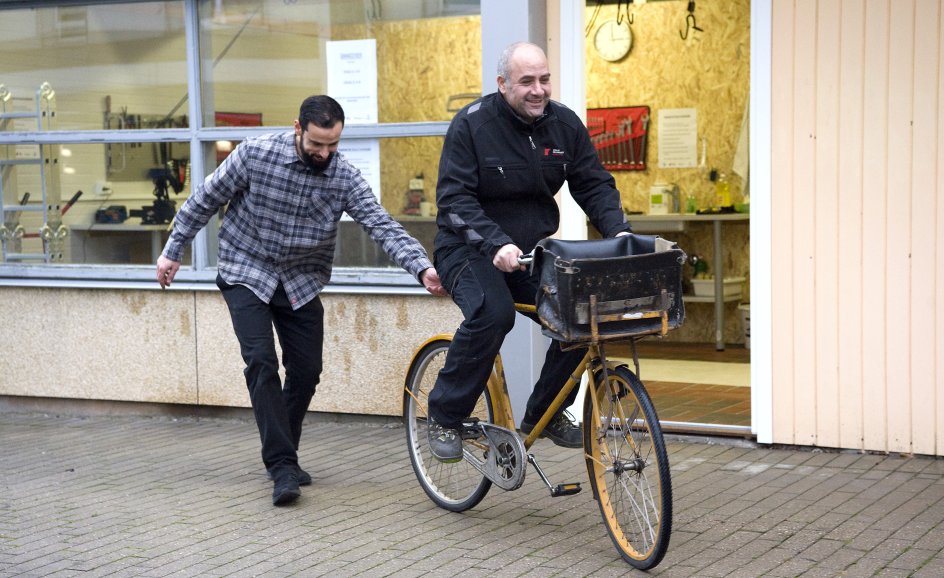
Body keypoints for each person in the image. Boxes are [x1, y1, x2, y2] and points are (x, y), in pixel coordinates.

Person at [156, 95, 446, 505]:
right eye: (316, 145)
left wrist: (421, 268)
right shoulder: (256, 155)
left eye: (333, 145)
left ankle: (283, 454)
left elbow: (380, 224)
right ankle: (281, 466)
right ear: (298, 128)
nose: (325, 154)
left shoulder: (343, 177)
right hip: (247, 269)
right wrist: (173, 250)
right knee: (260, 361)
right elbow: (204, 199)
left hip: (300, 280)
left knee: (307, 370)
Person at [425, 42, 631, 462]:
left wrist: (621, 233)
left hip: (529, 252)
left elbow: (592, 184)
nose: (538, 90)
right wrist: (494, 242)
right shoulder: (472, 126)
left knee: (579, 314)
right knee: (493, 313)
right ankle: (445, 415)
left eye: (544, 79)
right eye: (526, 82)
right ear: (502, 84)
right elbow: (454, 199)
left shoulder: (565, 125)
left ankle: (546, 413)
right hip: (465, 247)